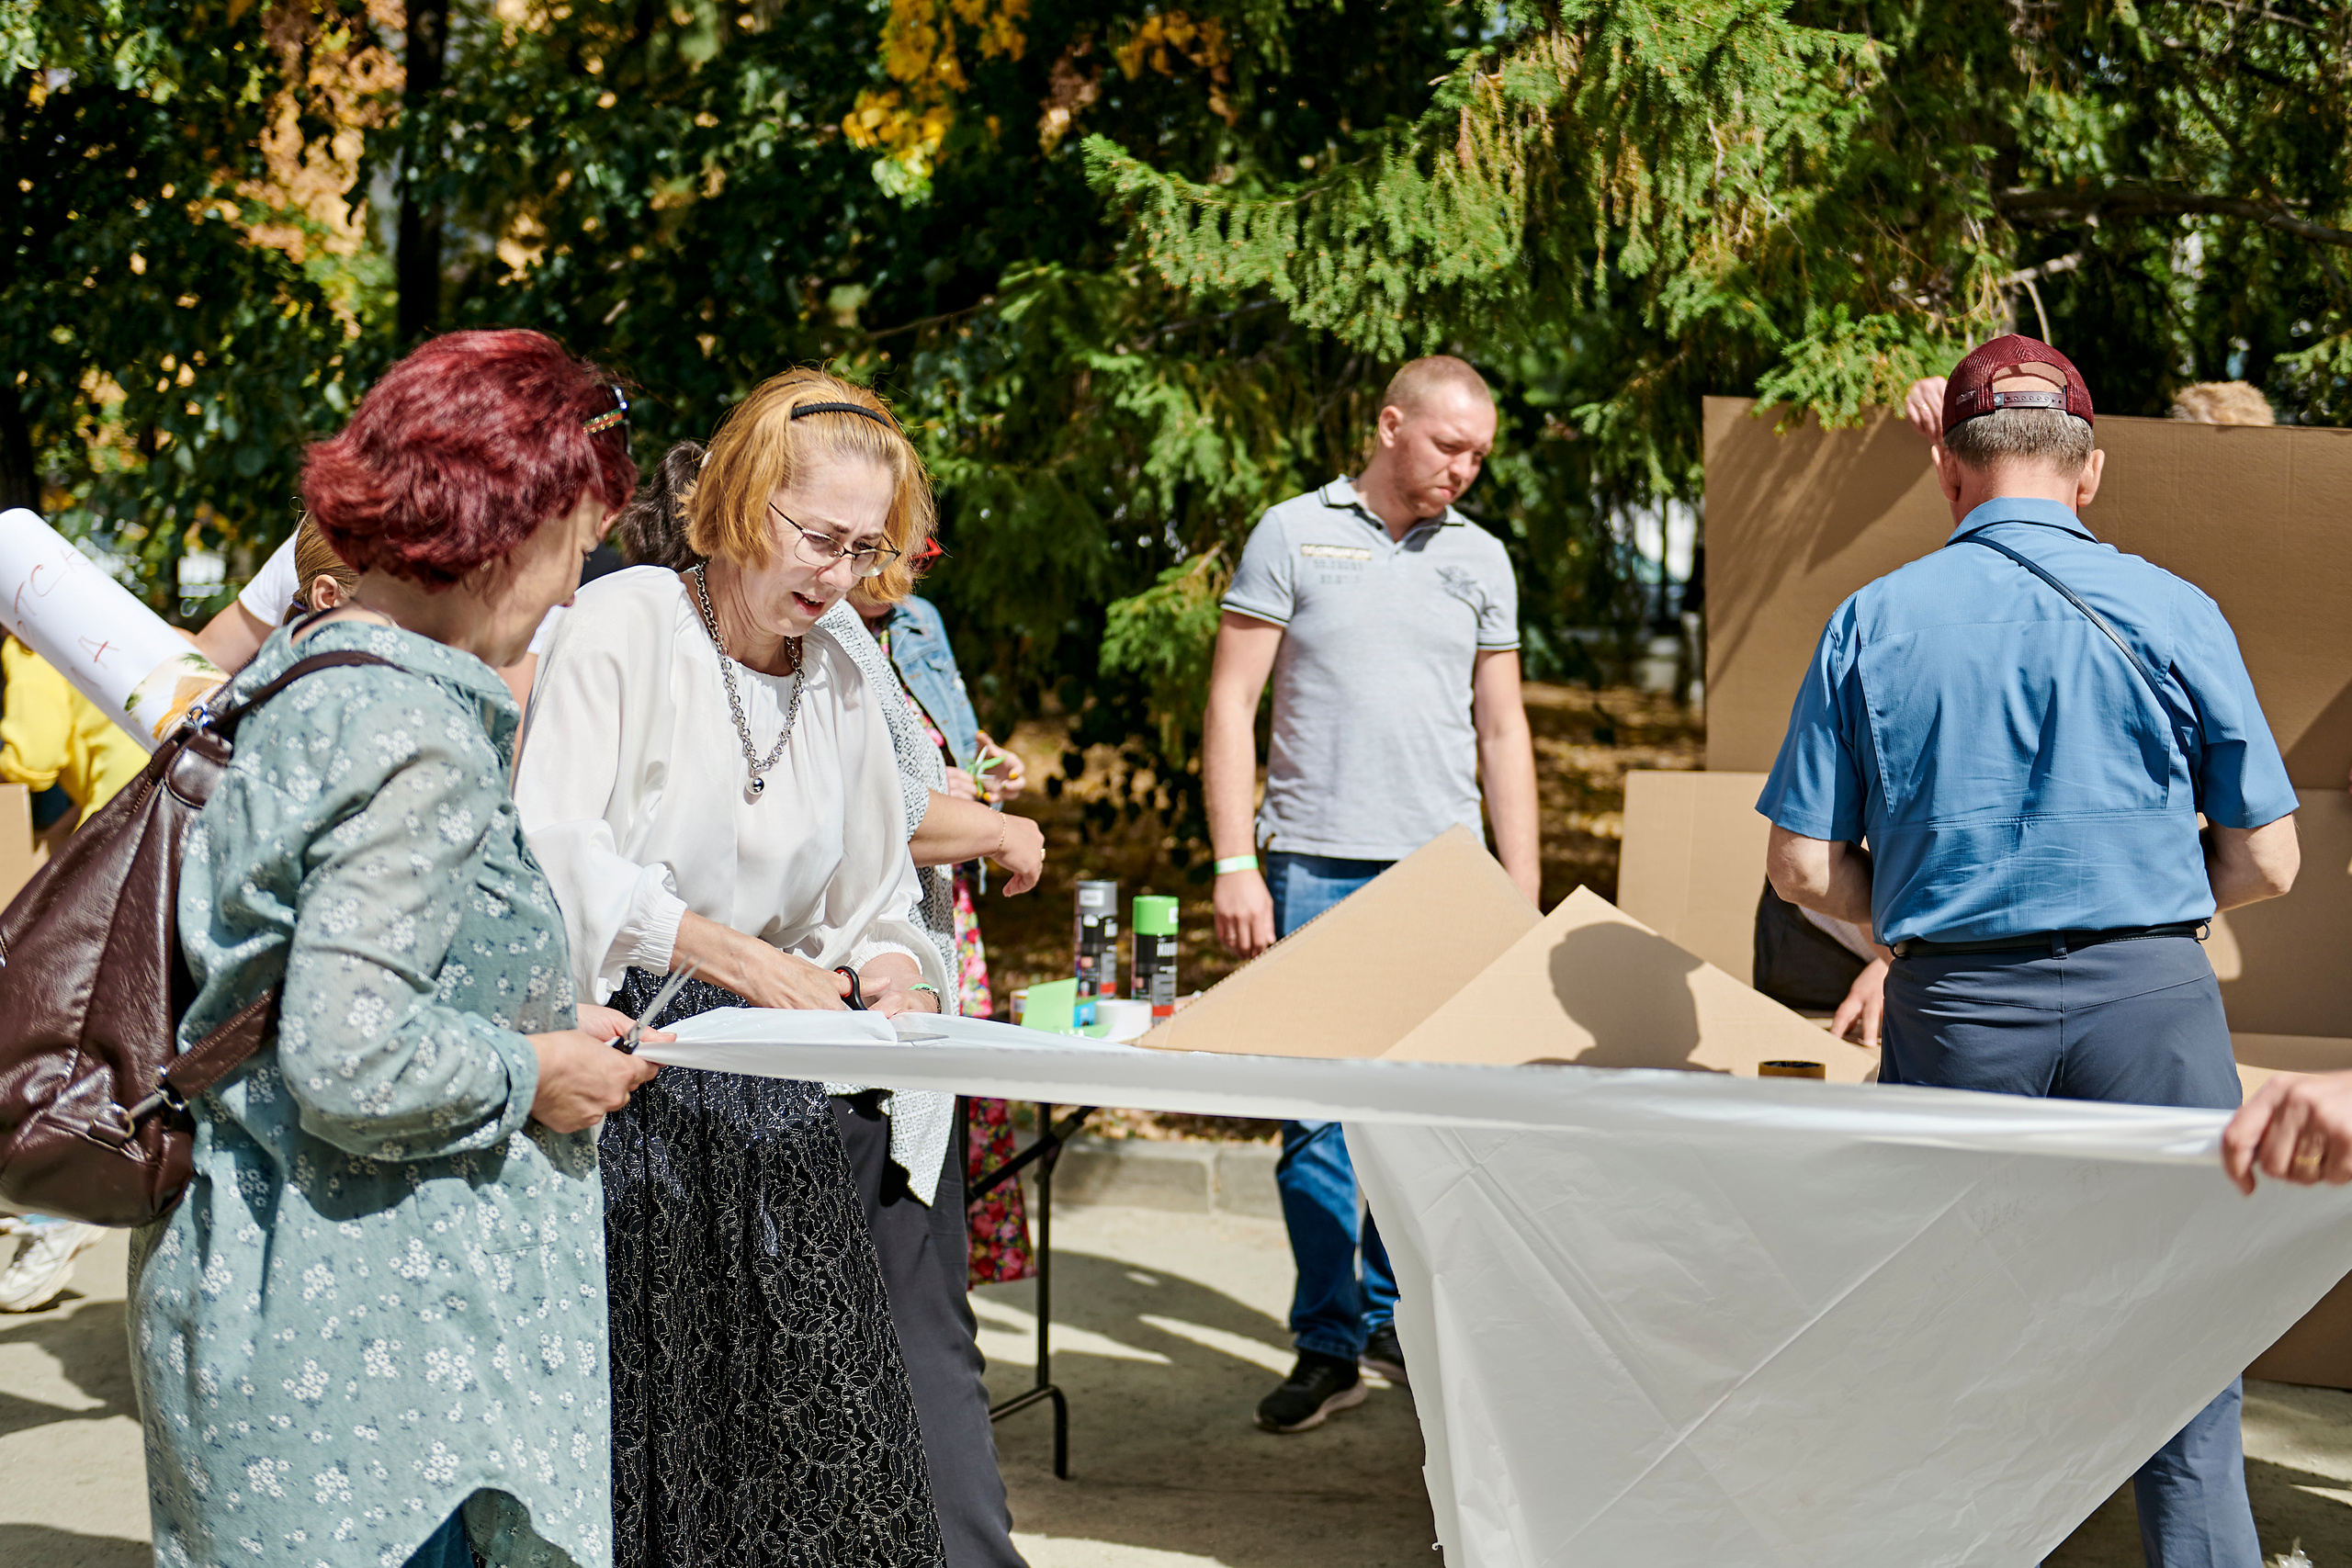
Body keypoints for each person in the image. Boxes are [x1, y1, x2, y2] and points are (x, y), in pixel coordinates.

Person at [1761, 334, 2301, 1568]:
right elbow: (2271, 860)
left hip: (1955, 1007)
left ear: (1947, 469)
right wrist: (2156, 897)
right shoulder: (2178, 609)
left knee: (1943, 1345)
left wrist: (1903, 920)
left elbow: (1798, 865)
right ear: (2091, 472)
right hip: (2154, 1004)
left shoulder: (1872, 619)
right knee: (2181, 1347)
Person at [133, 328, 662, 1568]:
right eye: (576, 544)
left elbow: (324, 972)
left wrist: (534, 1018)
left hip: (293, 1332)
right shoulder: (411, 725)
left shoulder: (309, 674)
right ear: (503, 516)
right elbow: (352, 1055)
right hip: (378, 1382)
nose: (575, 590)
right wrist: (540, 1073)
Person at [514, 369, 969, 1568]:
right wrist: (723, 952)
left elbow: (870, 892)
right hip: (627, 1088)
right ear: (742, 497)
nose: (838, 574)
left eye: (865, 549)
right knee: (661, 1447)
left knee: (822, 1448)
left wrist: (891, 968)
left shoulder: (843, 675)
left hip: (779, 1106)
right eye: (818, 536)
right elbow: (551, 849)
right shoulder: (625, 623)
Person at [1204, 354, 1539, 1434]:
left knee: (1425, 1119)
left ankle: (1397, 1316)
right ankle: (1328, 1340)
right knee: (1316, 1122)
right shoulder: (1292, 533)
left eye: (1480, 453)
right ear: (1390, 425)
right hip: (1309, 864)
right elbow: (1229, 704)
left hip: (1446, 878)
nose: (1466, 469)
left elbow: (1502, 730)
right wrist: (1232, 861)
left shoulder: (1481, 559)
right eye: (1450, 445)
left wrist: (1519, 891)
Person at [845, 570, 1041, 1288]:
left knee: (961, 1093)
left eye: (919, 555)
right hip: (884, 906)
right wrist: (950, 800)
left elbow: (949, 747)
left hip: (944, 896)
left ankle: (943, 1280)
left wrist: (983, 771)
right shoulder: (821, 626)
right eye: (881, 552)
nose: (901, 576)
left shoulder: (918, 620)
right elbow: (876, 794)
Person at [0, 636, 153, 1311]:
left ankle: (57, 1208)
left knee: (68, 1033)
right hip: (167, 817)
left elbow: (27, 758)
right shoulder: (116, 626)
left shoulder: (33, 648)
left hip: (125, 831)